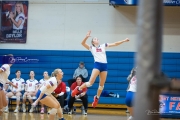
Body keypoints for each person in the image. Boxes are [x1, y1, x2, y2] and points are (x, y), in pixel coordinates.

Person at [72, 30, 130, 107]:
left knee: (101, 85)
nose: (97, 39)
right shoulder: (91, 47)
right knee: (90, 83)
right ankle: (78, 88)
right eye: (95, 39)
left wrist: (123, 40)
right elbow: (82, 43)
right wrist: (86, 37)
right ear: (93, 42)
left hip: (104, 66)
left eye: (97, 38)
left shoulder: (103, 46)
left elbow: (115, 44)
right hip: (97, 65)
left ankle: (97, 98)